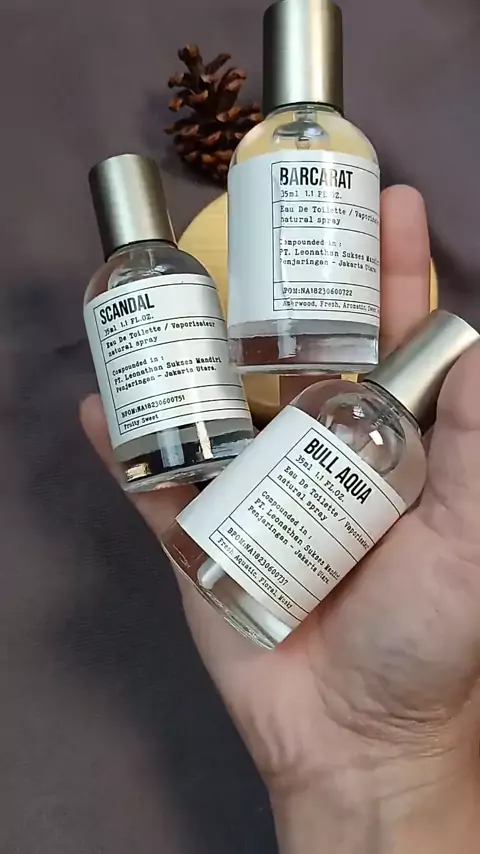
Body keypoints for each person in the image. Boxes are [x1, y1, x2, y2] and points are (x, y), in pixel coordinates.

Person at [80, 186, 480, 853]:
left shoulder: (405, 458)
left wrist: (399, 750)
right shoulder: (330, 397)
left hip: (279, 606)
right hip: (217, 550)